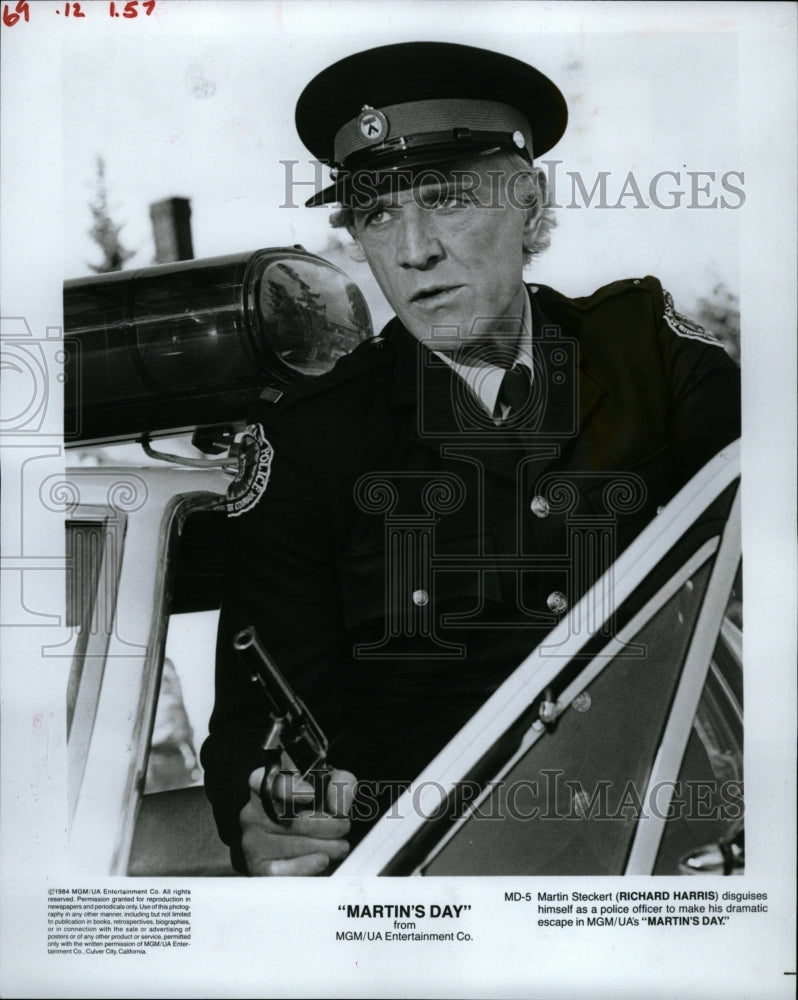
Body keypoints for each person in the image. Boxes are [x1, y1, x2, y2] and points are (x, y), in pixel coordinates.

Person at [200, 42, 741, 876]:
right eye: (376, 215)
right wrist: (269, 818)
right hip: (453, 882)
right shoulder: (312, 441)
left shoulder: (652, 361)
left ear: (529, 204)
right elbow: (257, 721)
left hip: (683, 843)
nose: (412, 250)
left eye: (447, 199)